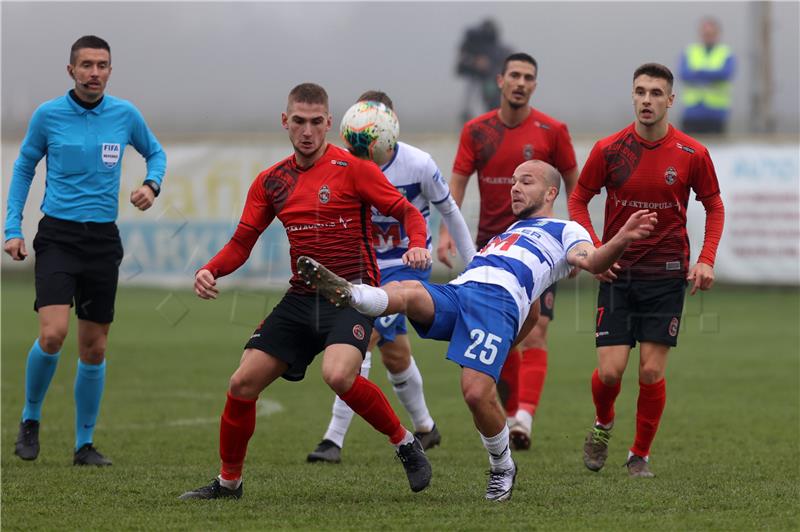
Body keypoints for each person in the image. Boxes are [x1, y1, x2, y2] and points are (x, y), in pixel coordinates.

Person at [298, 159, 659, 501]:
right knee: (407, 292)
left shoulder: (567, 229)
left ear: (551, 193)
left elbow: (592, 260)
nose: (515, 187)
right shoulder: (512, 230)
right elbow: (532, 309)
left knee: (474, 394)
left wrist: (622, 238)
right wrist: (512, 341)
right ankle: (351, 293)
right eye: (513, 181)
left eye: (526, 181)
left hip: (496, 305)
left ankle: (503, 467)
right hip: (462, 290)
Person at [179, 83, 434, 500]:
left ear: (329, 123)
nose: (308, 131)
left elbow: (405, 211)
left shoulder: (354, 168)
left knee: (337, 374)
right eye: (299, 121)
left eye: (317, 122)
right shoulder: (271, 182)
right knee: (242, 383)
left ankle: (405, 442)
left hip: (351, 295)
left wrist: (419, 242)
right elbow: (243, 242)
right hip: (302, 297)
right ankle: (229, 483)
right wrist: (211, 269)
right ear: (286, 122)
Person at [4, 35, 166, 466]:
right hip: (58, 236)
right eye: (87, 65)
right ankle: (30, 418)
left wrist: (152, 184)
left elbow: (156, 154)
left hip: (101, 241)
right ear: (71, 70)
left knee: (94, 348)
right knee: (53, 334)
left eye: (103, 65)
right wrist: (11, 227)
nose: (95, 72)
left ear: (110, 70)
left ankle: (83, 445)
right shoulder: (48, 116)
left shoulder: (124, 114)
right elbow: (23, 167)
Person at [568, 63, 725, 478]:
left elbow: (714, 206)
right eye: (640, 92)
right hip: (618, 275)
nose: (647, 100)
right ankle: (603, 425)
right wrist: (594, 252)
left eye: (656, 93)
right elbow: (579, 199)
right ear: (632, 96)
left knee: (651, 371)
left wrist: (706, 258)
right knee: (610, 372)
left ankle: (639, 455)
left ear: (670, 100)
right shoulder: (609, 149)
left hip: (667, 275)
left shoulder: (692, 153)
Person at [307, 91, 476, 464]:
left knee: (362, 337)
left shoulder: (417, 164)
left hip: (405, 265)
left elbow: (449, 210)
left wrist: (475, 263)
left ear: (392, 122)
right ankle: (427, 428)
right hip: (362, 266)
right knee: (396, 355)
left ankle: (333, 439)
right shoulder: (343, 163)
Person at [439, 51, 579, 451]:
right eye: (514, 75)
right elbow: (456, 186)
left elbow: (576, 187)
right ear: (500, 81)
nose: (520, 82)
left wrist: (575, 242)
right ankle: (510, 411)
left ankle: (524, 417)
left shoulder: (553, 130)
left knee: (538, 332)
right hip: (491, 251)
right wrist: (446, 233)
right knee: (505, 337)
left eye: (528, 77)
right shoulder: (477, 130)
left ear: (535, 85)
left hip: (539, 251)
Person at [679, 17, 736, 134]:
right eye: (705, 33)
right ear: (700, 34)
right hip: (692, 111)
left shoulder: (726, 52)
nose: (708, 36)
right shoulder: (690, 51)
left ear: (717, 34)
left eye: (711, 33)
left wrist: (699, 72)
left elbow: (725, 74)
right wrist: (712, 73)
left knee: (717, 149)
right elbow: (684, 74)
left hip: (716, 111)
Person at [455, 18, 511, 123]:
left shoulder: (502, 51)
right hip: (476, 87)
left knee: (493, 108)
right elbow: (460, 67)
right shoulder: (474, 51)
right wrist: (474, 63)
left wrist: (489, 68)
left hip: (492, 89)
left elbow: (508, 69)